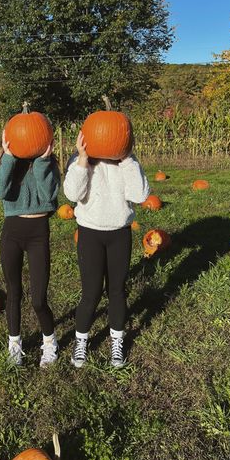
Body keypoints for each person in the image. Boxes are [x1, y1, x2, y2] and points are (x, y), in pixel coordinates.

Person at [63, 130, 149, 368]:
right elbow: (72, 193)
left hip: (119, 233)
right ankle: (81, 341)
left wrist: (127, 158)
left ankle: (116, 341)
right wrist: (81, 160)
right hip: (90, 233)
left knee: (117, 291)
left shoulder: (127, 162)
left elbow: (140, 195)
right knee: (90, 293)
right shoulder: (81, 160)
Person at [0, 129, 60, 367]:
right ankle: (15, 345)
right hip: (12, 233)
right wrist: (8, 156)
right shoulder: (8, 163)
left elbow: (49, 196)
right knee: (14, 292)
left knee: (39, 298)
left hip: (38, 234)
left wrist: (42, 162)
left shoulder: (47, 163)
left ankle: (49, 343)